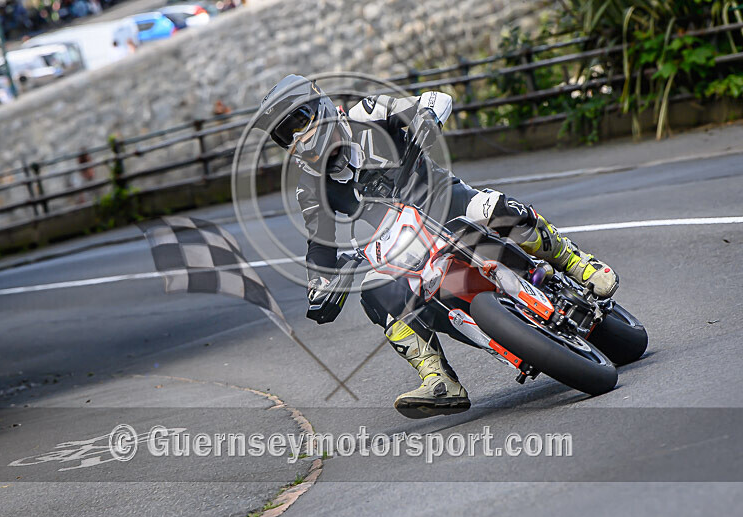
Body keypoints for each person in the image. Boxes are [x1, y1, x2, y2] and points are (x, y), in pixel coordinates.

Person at [254, 75, 619, 418]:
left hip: (445, 202)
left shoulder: (369, 113)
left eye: (298, 122)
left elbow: (433, 100)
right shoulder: (310, 188)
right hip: (401, 244)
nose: (296, 138)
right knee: (372, 288)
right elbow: (319, 242)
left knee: (494, 208)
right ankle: (438, 379)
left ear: (321, 105)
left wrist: (425, 117)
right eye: (284, 135)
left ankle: (577, 263)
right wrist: (320, 286)